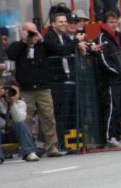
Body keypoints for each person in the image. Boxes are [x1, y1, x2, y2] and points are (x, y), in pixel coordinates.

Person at [5, 21, 71, 157]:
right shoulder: (19, 46)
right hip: (26, 89)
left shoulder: (42, 46)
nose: (31, 34)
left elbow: (59, 50)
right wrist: (24, 41)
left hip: (43, 88)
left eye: (33, 31)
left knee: (48, 118)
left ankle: (52, 148)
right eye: (28, 31)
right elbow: (10, 54)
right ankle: (28, 148)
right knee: (25, 119)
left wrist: (42, 40)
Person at [43, 12, 80, 153]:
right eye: (60, 22)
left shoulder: (64, 36)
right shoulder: (50, 37)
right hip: (57, 81)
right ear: (53, 24)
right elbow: (61, 50)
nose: (64, 24)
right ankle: (58, 144)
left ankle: (69, 143)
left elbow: (69, 49)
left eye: (65, 21)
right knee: (60, 114)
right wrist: (76, 41)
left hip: (69, 78)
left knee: (70, 113)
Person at [93, 12, 121, 147]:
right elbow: (104, 60)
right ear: (104, 23)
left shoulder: (116, 37)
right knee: (111, 108)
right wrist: (116, 72)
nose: (114, 24)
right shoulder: (103, 38)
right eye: (111, 22)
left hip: (119, 80)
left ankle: (116, 135)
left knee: (118, 109)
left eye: (116, 22)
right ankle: (109, 137)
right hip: (110, 81)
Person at [0, 79, 39, 164]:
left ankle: (29, 153)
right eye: (10, 91)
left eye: (15, 92)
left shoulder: (21, 103)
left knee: (21, 125)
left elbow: (19, 119)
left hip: (14, 135)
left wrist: (12, 104)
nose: (13, 94)